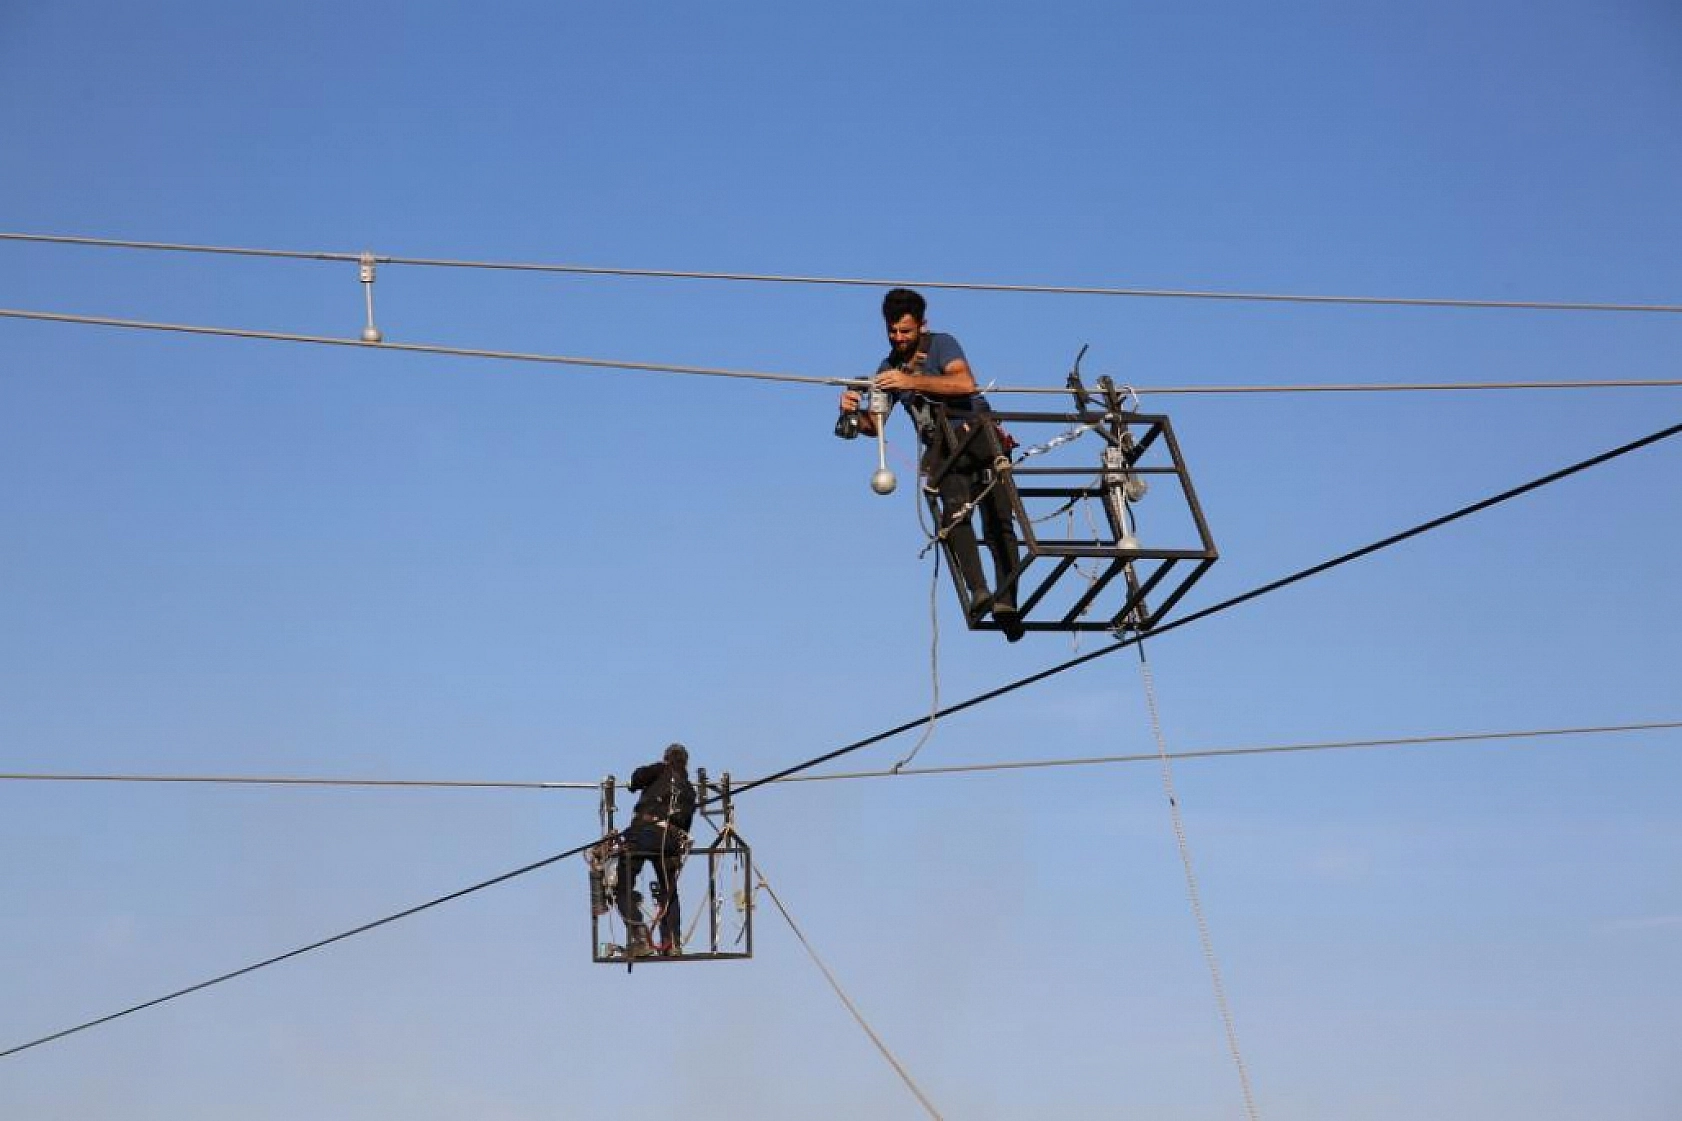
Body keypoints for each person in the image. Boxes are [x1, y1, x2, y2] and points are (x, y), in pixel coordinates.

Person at [840, 288, 1026, 641]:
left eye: (905, 331)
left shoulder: (942, 344)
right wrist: (851, 410)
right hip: (943, 451)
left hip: (978, 438)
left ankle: (1008, 603)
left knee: (999, 522)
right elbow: (875, 426)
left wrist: (911, 381)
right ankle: (979, 591)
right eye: (892, 331)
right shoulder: (888, 368)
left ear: (922, 326)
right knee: (954, 516)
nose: (898, 338)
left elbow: (964, 382)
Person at [615, 743, 696, 956]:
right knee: (669, 891)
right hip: (671, 841)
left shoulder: (661, 770)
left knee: (622, 888)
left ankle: (640, 938)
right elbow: (686, 824)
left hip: (644, 833)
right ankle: (672, 943)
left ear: (667, 758)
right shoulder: (690, 790)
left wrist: (634, 785)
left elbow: (637, 777)